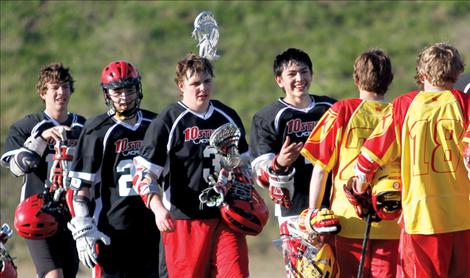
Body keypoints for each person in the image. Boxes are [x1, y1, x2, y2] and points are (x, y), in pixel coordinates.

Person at [354, 43, 470, 277]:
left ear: (422, 74)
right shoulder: (465, 104)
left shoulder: (404, 105)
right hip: (464, 216)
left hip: (421, 216)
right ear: (457, 73)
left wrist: (359, 186)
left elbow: (368, 158)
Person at [132, 53, 251, 277]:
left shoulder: (227, 117)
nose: (202, 88)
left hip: (224, 219)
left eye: (207, 81)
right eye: (195, 83)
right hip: (183, 222)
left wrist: (245, 188)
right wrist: (158, 209)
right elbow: (143, 174)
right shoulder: (168, 120)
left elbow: (244, 164)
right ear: (180, 85)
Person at [301, 49, 401, 277]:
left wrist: (312, 214)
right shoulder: (400, 114)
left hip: (348, 221)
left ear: (356, 79)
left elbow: (320, 169)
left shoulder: (342, 110)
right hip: (392, 221)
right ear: (390, 80)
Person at [67, 60, 160, 277]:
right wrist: (83, 227)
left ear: (138, 88)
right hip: (112, 230)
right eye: (117, 92)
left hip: (152, 228)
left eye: (129, 90)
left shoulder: (154, 124)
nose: (124, 97)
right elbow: (80, 188)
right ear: (107, 94)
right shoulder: (97, 130)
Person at [250, 48, 336, 275]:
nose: (300, 79)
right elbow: (260, 173)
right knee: (305, 273)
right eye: (292, 74)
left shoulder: (330, 109)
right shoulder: (268, 117)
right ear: (279, 80)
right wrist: (279, 163)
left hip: (335, 208)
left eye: (304, 72)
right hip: (295, 213)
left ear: (312, 74)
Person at [0, 63, 84, 278]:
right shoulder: (27, 125)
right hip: (36, 212)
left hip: (72, 211)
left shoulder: (83, 127)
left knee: (68, 273)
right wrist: (40, 139)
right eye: (54, 87)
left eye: (65, 86)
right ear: (42, 92)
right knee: (53, 275)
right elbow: (16, 168)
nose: (61, 92)